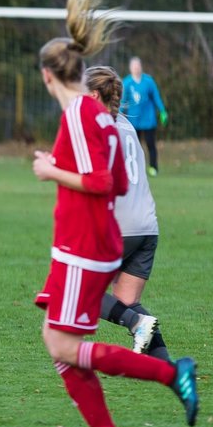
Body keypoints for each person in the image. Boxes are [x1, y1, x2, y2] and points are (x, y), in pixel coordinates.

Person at [30, 0, 197, 427]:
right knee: (58, 344)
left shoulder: (80, 115)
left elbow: (104, 184)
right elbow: (119, 181)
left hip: (84, 249)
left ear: (47, 76)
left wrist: (51, 171)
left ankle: (171, 373)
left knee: (63, 347)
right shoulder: (99, 117)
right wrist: (62, 168)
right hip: (84, 245)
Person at [84, 66, 172, 362]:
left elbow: (100, 179)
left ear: (94, 95)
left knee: (81, 293)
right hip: (147, 225)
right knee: (126, 302)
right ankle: (168, 366)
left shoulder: (99, 128)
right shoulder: (126, 125)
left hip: (120, 226)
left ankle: (137, 324)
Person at [121, 56, 167, 176]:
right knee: (134, 146)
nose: (136, 68)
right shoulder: (126, 83)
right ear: (130, 68)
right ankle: (136, 168)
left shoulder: (148, 81)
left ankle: (153, 167)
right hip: (133, 121)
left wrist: (162, 111)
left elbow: (156, 96)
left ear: (141, 67)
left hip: (148, 120)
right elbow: (122, 101)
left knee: (151, 144)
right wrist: (118, 114)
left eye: (138, 66)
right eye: (134, 66)